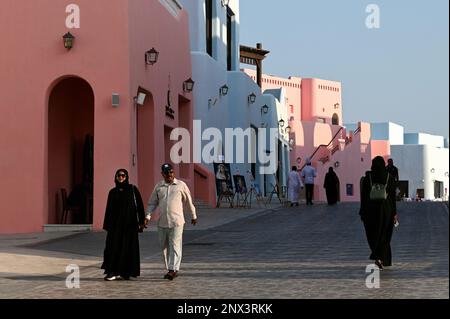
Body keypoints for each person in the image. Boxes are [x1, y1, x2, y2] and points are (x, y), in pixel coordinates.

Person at [145, 163, 197, 280]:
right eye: (167, 173)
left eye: (171, 172)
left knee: (175, 245)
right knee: (164, 246)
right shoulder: (159, 186)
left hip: (177, 221)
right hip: (162, 222)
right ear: (162, 174)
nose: (169, 175)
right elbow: (152, 203)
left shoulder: (181, 185)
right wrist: (147, 216)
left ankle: (173, 270)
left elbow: (188, 201)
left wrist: (193, 215)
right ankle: (170, 267)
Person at [101, 169, 146, 281]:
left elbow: (139, 206)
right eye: (119, 175)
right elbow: (108, 210)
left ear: (126, 177)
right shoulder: (112, 192)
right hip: (115, 226)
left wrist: (141, 221)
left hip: (129, 225)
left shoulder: (133, 190)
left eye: (123, 175)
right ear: (116, 177)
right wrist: (107, 225)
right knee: (113, 247)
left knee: (128, 247)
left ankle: (126, 272)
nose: (121, 177)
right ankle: (112, 272)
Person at [359, 156, 398, 270]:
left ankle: (377, 256)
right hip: (386, 210)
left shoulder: (367, 178)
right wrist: (394, 213)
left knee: (372, 234)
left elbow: (364, 196)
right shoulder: (389, 177)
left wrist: (362, 211)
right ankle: (381, 258)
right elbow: (392, 198)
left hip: (370, 210)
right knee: (385, 235)